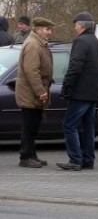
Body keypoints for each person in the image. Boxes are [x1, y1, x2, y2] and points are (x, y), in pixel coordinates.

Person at [57, 12, 98, 171]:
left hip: (80, 92)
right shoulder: (96, 42)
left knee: (69, 125)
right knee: (88, 127)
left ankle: (75, 160)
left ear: (81, 26)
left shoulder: (81, 41)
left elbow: (75, 66)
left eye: (76, 26)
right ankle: (88, 160)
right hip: (92, 92)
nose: (75, 29)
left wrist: (66, 86)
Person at [15, 17, 55, 168]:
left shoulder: (39, 43)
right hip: (30, 93)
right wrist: (40, 91)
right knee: (29, 126)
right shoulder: (33, 45)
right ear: (38, 30)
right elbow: (31, 71)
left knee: (33, 126)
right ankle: (25, 156)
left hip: (34, 92)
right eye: (47, 30)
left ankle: (32, 154)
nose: (50, 33)